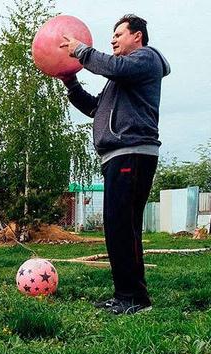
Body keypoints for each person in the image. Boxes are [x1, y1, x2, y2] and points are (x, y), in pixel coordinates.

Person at [60, 14, 170, 314]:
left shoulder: (146, 59)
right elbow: (96, 107)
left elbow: (113, 65)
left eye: (119, 34)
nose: (112, 39)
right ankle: (127, 294)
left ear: (138, 36)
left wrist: (82, 51)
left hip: (133, 152)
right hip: (119, 155)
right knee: (119, 227)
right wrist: (71, 83)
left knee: (122, 227)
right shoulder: (121, 80)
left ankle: (133, 298)